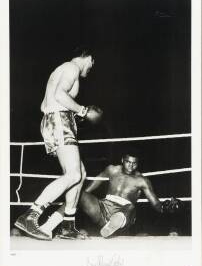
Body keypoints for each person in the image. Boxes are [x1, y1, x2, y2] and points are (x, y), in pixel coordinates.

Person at [15, 47, 103, 240]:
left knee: (80, 175)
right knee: (73, 174)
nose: (91, 69)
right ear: (88, 58)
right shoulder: (72, 68)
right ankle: (30, 215)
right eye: (92, 64)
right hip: (59, 121)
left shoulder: (62, 68)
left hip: (58, 121)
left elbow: (49, 102)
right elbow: (60, 96)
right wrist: (83, 111)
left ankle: (66, 225)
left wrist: (76, 115)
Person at [38, 153, 180, 239]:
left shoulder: (142, 180)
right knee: (77, 194)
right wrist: (81, 199)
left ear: (138, 164)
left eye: (134, 163)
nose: (131, 166)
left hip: (125, 213)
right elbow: (90, 187)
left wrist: (166, 207)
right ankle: (49, 225)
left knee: (131, 206)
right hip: (103, 208)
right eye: (128, 162)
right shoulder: (111, 170)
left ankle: (114, 224)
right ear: (122, 160)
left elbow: (156, 204)